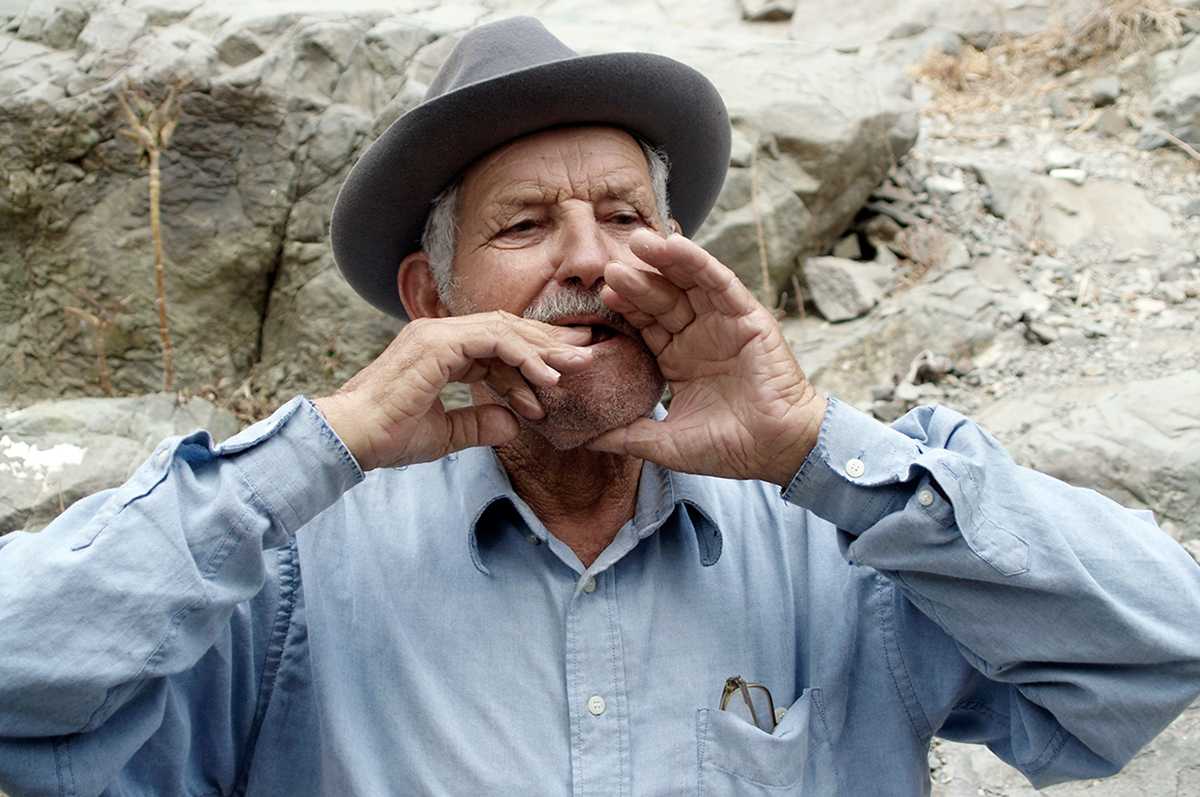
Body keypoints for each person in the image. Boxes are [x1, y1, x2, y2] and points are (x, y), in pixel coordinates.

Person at [2, 15, 1199, 796]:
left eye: (627, 217)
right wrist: (311, 454)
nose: (589, 259)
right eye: (525, 225)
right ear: (433, 296)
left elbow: (1162, 643)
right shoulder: (290, 564)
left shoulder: (852, 523)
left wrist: (812, 447)